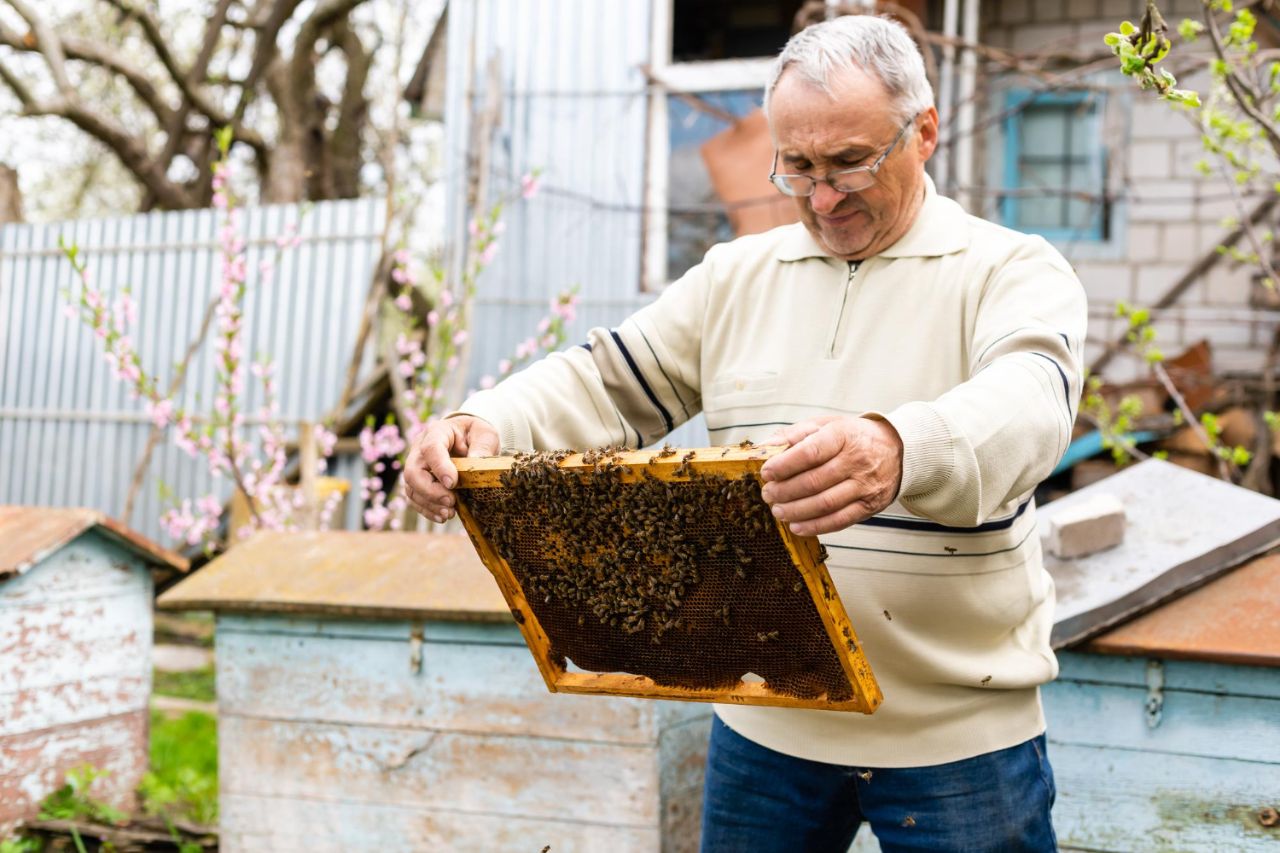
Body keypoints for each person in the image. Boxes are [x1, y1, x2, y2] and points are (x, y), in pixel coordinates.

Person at [405, 14, 1085, 853]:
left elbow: (1033, 399)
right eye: (796, 165)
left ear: (925, 134)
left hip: (958, 740)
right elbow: (608, 378)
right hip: (767, 726)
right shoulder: (737, 275)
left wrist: (903, 448)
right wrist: (486, 421)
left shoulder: (1011, 270)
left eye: (849, 163)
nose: (822, 196)